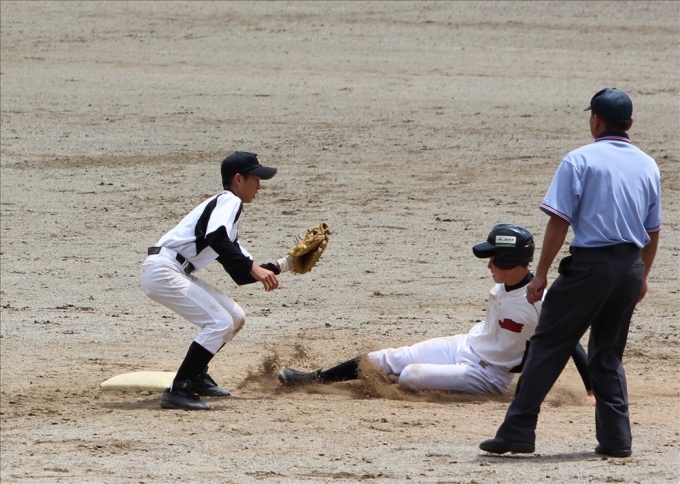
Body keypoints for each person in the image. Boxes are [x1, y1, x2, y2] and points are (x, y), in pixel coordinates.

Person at [479, 88, 662, 458]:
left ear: (595, 120)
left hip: (590, 267)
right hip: (629, 267)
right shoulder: (648, 165)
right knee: (608, 354)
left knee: (548, 343)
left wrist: (541, 273)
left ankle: (518, 431)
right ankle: (617, 440)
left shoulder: (579, 160)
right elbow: (653, 230)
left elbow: (559, 222)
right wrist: (642, 275)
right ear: (630, 123)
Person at [278, 223, 593, 400]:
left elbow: (571, 342)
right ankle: (314, 378)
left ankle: (402, 382)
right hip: (465, 345)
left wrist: (592, 390)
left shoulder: (538, 300)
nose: (488, 265)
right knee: (386, 358)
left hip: (490, 375)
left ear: (509, 261)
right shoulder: (502, 286)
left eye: (493, 258)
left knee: (411, 375)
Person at [140, 151, 297, 410]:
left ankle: (196, 376)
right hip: (163, 270)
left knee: (234, 316)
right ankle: (178, 389)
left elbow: (240, 272)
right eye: (256, 179)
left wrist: (285, 264)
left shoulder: (225, 222)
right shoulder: (228, 201)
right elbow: (217, 238)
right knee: (219, 322)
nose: (259, 186)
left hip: (174, 270)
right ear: (238, 179)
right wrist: (253, 267)